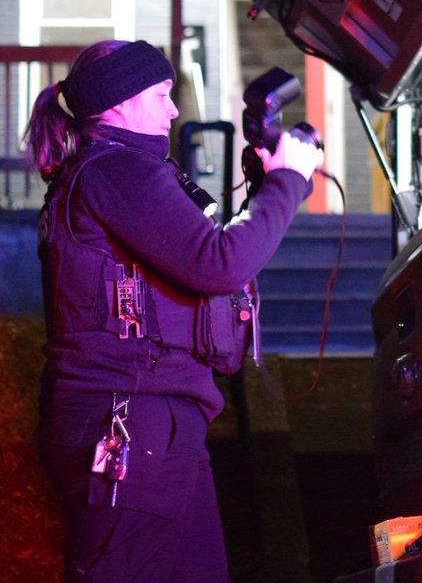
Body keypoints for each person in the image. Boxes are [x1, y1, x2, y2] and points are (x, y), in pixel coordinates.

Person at [26, 39, 322, 582]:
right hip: (130, 422)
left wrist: (268, 190)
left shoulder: (109, 172)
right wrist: (287, 182)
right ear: (119, 103)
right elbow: (221, 263)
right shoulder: (117, 172)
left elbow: (201, 251)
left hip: (151, 425)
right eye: (161, 94)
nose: (173, 109)